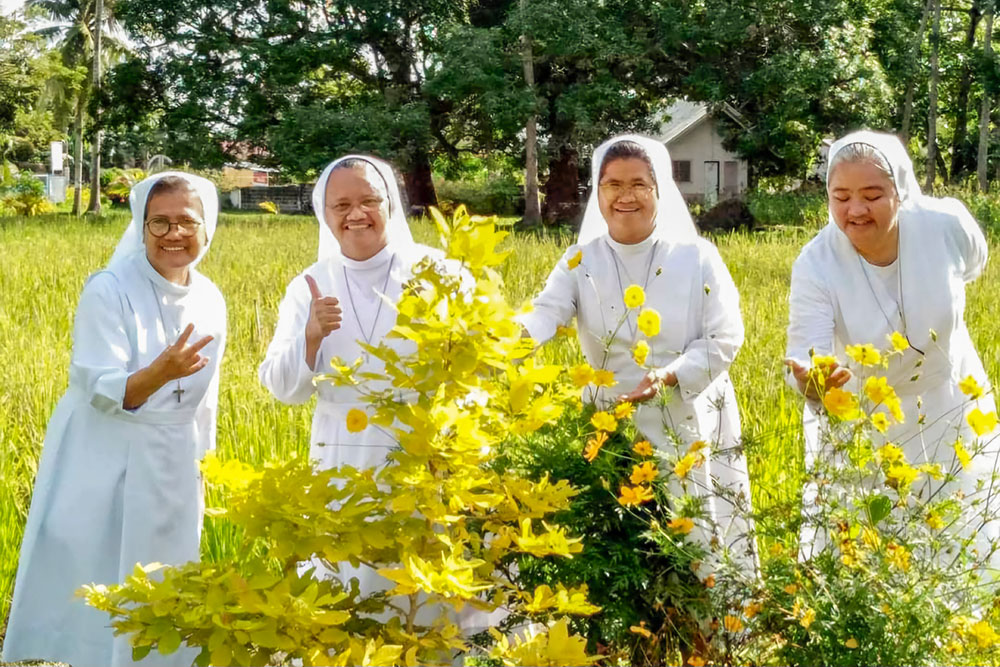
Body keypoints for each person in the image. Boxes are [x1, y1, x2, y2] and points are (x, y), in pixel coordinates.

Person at [2, 172, 227, 667]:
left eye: (186, 221)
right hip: (107, 455)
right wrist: (160, 372)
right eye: (159, 222)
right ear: (141, 227)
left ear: (207, 227)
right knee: (103, 575)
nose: (173, 233)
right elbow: (102, 390)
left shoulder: (211, 296)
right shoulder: (108, 289)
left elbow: (205, 399)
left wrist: (204, 468)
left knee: (167, 576)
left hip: (174, 457)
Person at [519, 133, 755, 569]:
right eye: (613, 185)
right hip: (612, 421)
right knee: (618, 550)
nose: (626, 196)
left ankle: (709, 634)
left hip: (687, 414)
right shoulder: (578, 259)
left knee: (696, 540)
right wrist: (507, 340)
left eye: (639, 185)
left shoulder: (697, 256)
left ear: (658, 190)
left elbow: (725, 335)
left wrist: (670, 376)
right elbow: (545, 312)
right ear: (599, 191)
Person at [785, 130, 999, 556]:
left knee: (961, 537)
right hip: (869, 421)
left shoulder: (946, 225)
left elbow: (976, 263)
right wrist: (813, 381)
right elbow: (807, 351)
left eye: (872, 194)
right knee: (870, 549)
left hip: (950, 403)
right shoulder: (816, 263)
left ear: (900, 190)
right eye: (840, 196)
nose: (856, 210)